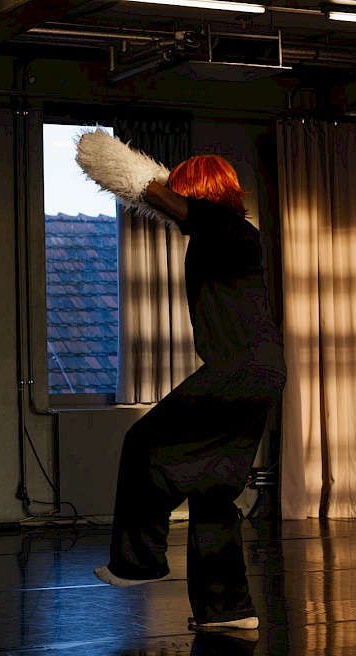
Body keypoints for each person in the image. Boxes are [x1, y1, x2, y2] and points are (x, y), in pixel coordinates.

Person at [75, 130, 286, 630]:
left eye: (188, 189)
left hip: (239, 371)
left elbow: (165, 200)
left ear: (203, 192)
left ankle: (139, 561)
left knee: (144, 442)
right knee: (213, 489)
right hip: (260, 373)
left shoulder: (227, 227)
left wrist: (122, 165)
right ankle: (227, 610)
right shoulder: (230, 235)